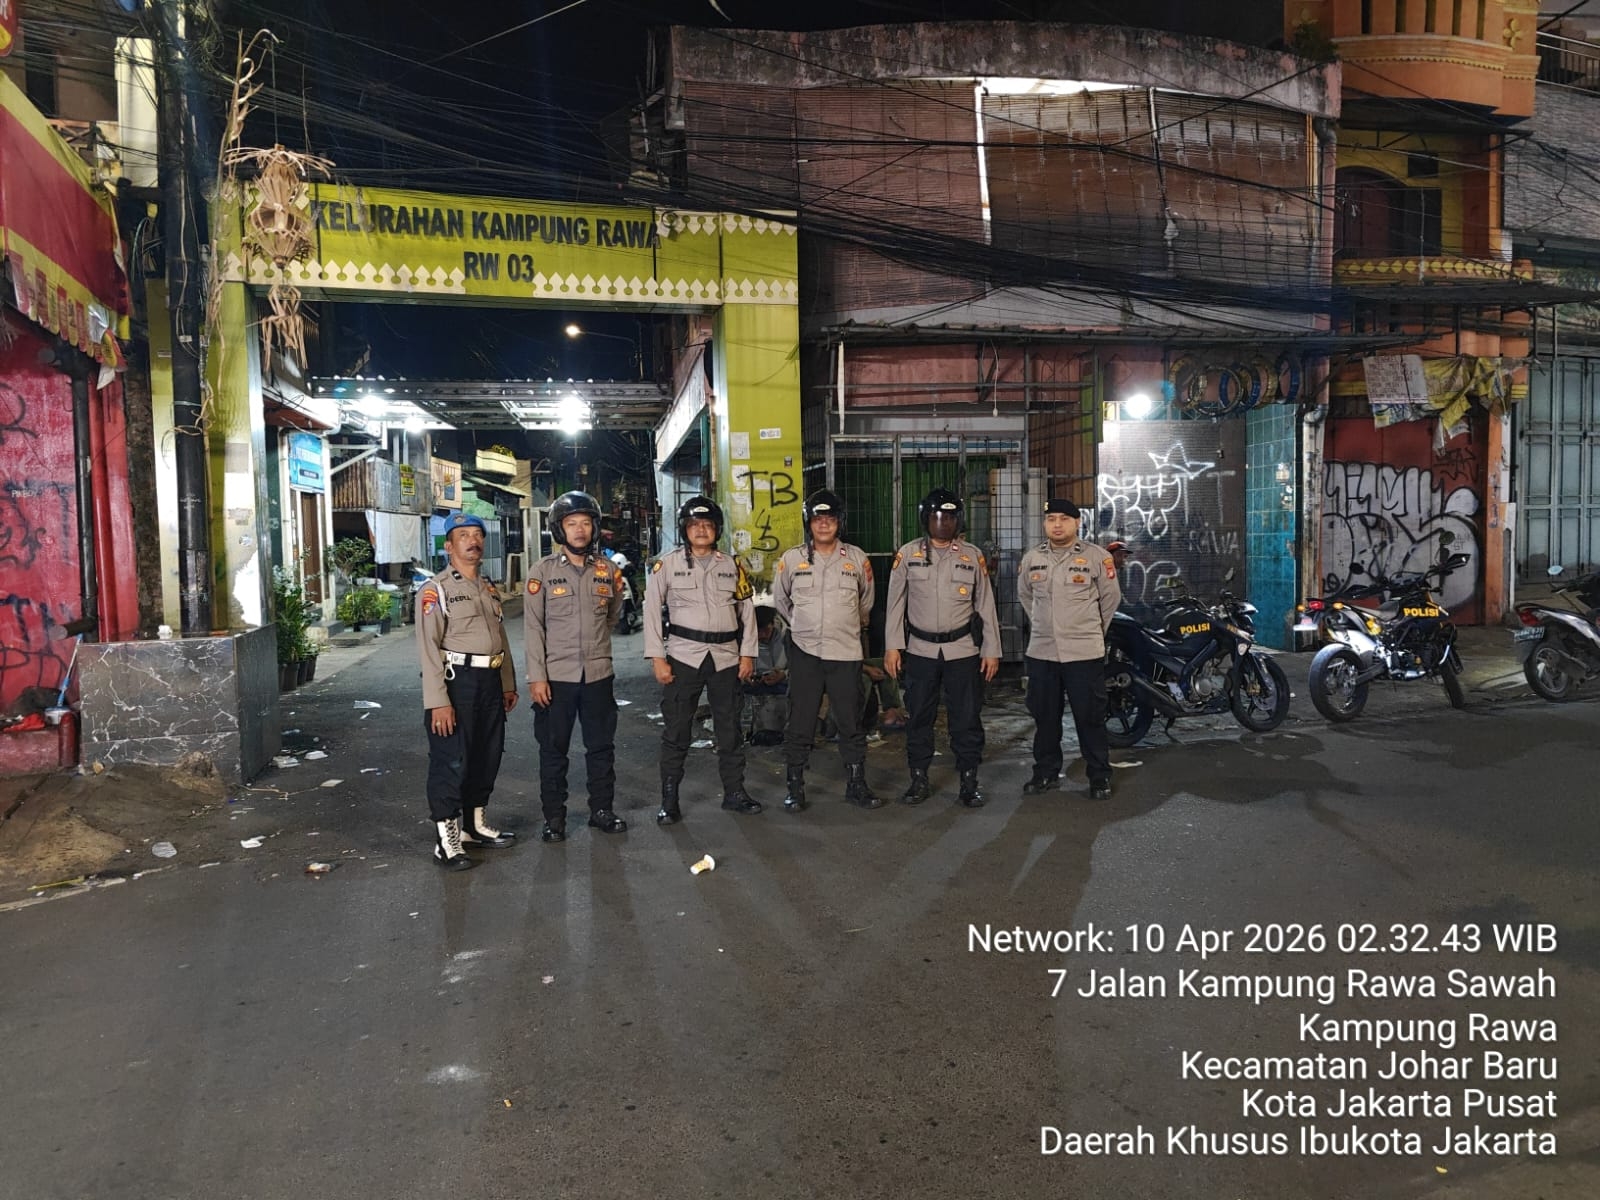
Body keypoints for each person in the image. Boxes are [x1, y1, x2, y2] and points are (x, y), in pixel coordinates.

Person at [644, 496, 761, 824]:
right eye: (695, 525)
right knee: (677, 730)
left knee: (730, 729)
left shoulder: (732, 565)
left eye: (708, 525)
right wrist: (657, 658)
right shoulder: (667, 565)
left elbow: (747, 611)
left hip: (726, 658)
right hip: (684, 656)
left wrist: (748, 653)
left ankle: (735, 793)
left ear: (717, 530)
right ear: (685, 529)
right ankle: (669, 800)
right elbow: (651, 611)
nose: (701, 531)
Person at [883, 487, 1001, 808]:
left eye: (949, 517)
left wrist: (991, 649)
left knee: (966, 717)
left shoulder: (972, 556)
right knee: (919, 717)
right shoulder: (908, 555)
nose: (943, 523)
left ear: (957, 520)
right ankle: (918, 779)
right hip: (920, 651)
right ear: (926, 519)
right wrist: (893, 647)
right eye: (937, 517)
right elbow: (895, 605)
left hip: (963, 650)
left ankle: (968, 782)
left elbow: (985, 605)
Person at [416, 512, 519, 870]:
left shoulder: (487, 588)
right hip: (456, 682)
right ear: (448, 546)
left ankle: (474, 826)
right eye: (463, 536)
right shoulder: (436, 590)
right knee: (451, 759)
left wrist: (507, 682)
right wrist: (438, 702)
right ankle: (447, 841)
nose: (473, 541)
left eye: (477, 535)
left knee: (486, 755)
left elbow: (500, 638)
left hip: (489, 682)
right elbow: (428, 649)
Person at [524, 490, 628, 844]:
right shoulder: (542, 572)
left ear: (594, 528)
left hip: (598, 676)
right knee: (553, 751)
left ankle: (602, 810)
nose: (580, 530)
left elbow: (612, 616)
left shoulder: (608, 571)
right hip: (556, 679)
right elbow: (534, 629)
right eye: (572, 523)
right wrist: (537, 677)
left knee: (601, 748)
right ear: (560, 529)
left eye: (585, 523)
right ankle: (554, 818)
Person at [773, 489, 881, 811]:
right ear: (808, 522)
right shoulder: (791, 559)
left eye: (830, 518)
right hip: (805, 652)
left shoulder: (857, 559)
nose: (824, 524)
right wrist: (803, 625)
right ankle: (795, 787)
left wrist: (841, 626)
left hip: (845, 653)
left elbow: (866, 603)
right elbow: (781, 601)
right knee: (800, 720)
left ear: (839, 522)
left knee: (850, 721)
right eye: (818, 518)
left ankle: (857, 784)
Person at [1018, 498, 1121, 801]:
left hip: (1084, 653)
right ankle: (1045, 772)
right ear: (1045, 523)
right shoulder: (1032, 558)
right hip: (1043, 652)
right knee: (1045, 718)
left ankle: (1099, 776)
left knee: (1090, 718)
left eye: (1064, 519)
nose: (1057, 525)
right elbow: (1026, 597)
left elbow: (1110, 600)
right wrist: (1045, 625)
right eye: (1051, 519)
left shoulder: (1097, 557)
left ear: (1077, 522)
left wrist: (1089, 631)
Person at [743, 606, 789, 746]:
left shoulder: (789, 635)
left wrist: (784, 675)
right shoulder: (745, 637)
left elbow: (804, 668)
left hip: (784, 682)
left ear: (773, 624)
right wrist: (748, 676)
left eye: (766, 630)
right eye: (758, 632)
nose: (762, 635)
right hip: (759, 684)